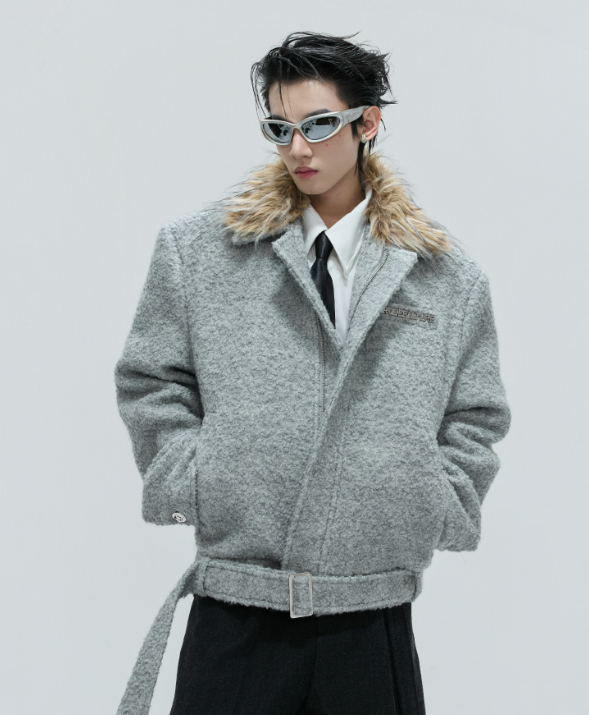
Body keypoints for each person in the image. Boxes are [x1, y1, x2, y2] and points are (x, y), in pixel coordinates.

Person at [113, 31, 511, 715]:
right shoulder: (199, 252)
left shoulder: (446, 279)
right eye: (279, 128)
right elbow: (151, 381)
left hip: (371, 616)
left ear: (367, 123)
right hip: (236, 608)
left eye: (319, 124)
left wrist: (431, 501)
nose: (298, 147)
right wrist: (197, 479)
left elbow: (476, 416)